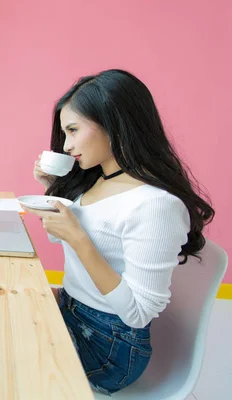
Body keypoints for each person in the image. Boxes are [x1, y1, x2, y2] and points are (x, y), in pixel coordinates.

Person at [30, 69, 214, 395]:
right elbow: (61, 239)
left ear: (112, 123)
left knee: (9, 357)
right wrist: (53, 193)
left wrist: (79, 238)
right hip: (73, 309)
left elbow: (138, 313)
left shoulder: (155, 205)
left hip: (111, 346)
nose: (67, 145)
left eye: (73, 130)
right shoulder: (95, 179)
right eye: (64, 133)